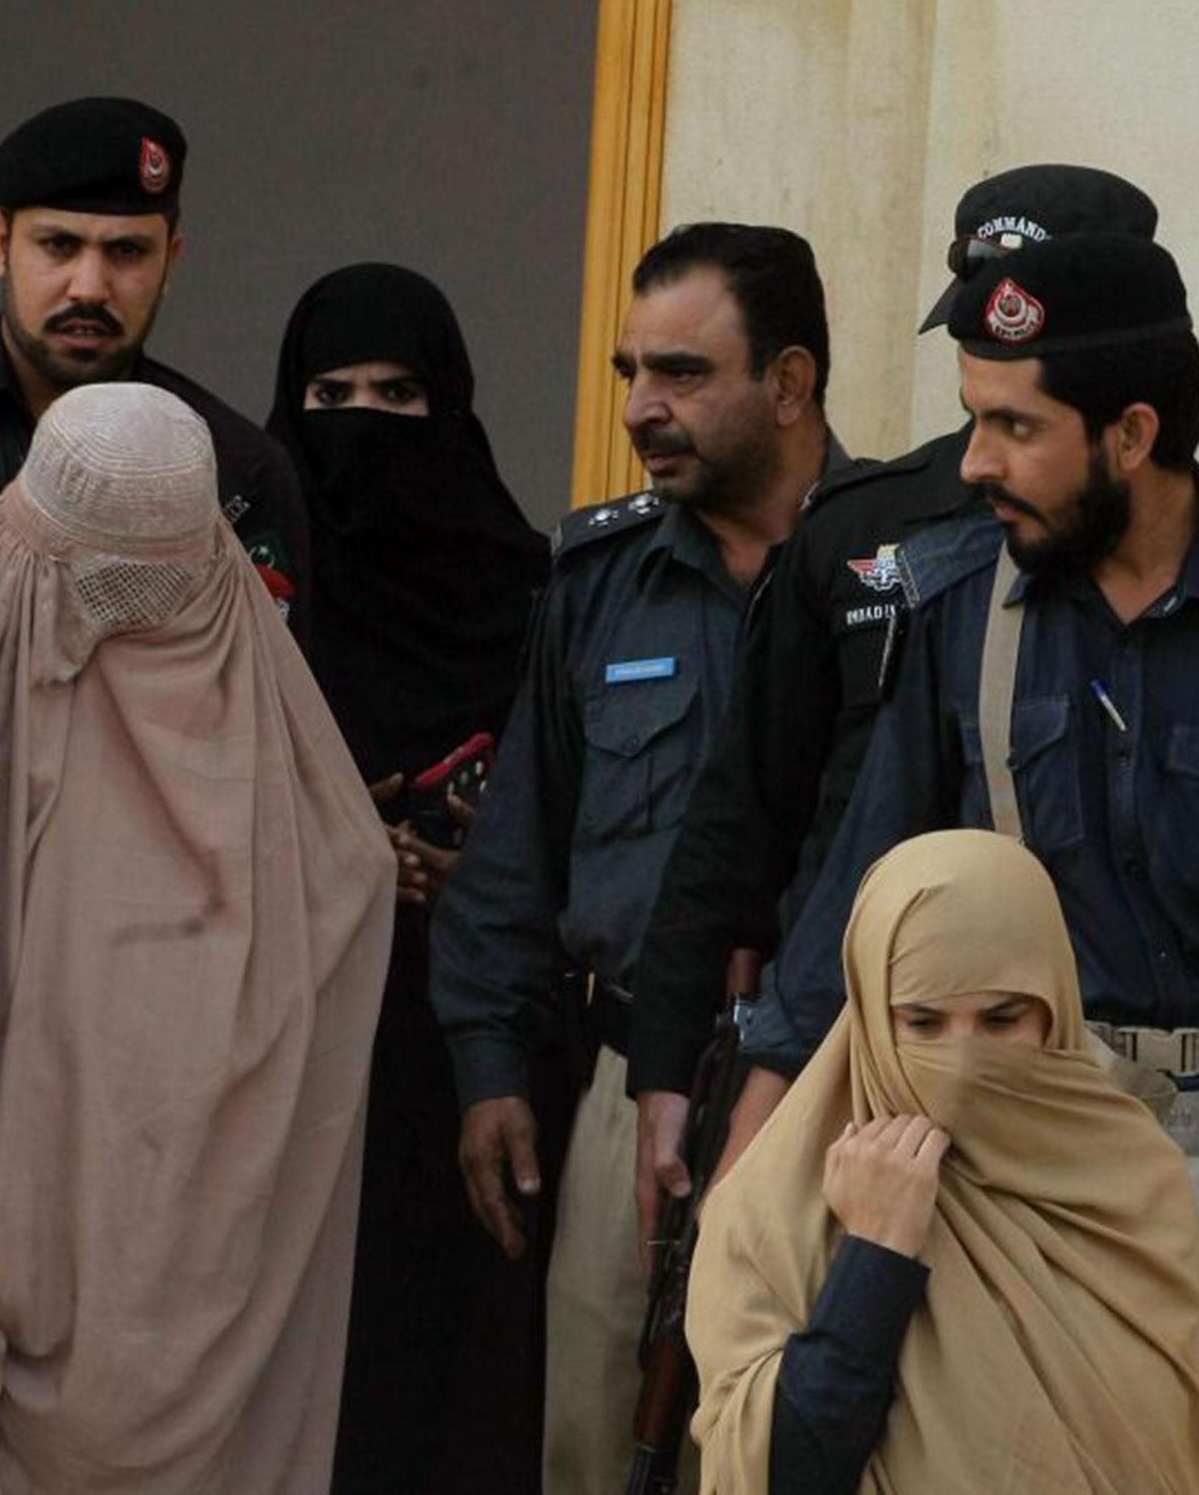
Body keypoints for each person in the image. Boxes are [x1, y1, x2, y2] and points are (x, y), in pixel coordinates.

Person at [739, 231, 1199, 1491]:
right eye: (969, 421)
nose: (972, 464)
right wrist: (753, 1161)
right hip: (1033, 1188)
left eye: (1011, 426)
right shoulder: (953, 620)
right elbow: (861, 904)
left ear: (1131, 435)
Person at [629, 167, 1161, 1241]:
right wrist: (671, 1069)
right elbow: (751, 816)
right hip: (865, 1045)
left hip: (1104, 1075)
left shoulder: (1192, 554)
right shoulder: (863, 532)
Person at [0, 381, 394, 1493]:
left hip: (144, 1308)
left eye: (149, 582)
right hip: (73, 1305)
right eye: (95, 576)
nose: (112, 615)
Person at [429, 223, 844, 1493]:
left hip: (837, 1090)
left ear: (786, 383)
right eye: (628, 373)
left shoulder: (900, 560)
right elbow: (522, 843)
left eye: (677, 374)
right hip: (629, 1094)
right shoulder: (602, 576)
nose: (637, 410)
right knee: (601, 1436)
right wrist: (490, 1060)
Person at [689, 829, 1199, 1495]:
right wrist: (873, 1255)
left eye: (1002, 1019)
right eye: (922, 1024)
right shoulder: (775, 1209)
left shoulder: (1134, 1183)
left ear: (1056, 1011)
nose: (963, 1061)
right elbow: (779, 1478)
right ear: (870, 1019)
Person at [264, 262, 551, 1493]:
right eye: (331, 393)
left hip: (468, 1052)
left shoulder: (533, 590)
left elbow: (580, 810)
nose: (365, 426)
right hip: (285, 1044)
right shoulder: (245, 598)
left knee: (463, 1372)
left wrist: (476, 871)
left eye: (398, 394)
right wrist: (329, 855)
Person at [0, 95, 312, 631]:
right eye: (59, 245)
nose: (89, 288)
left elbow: (260, 696)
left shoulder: (237, 470)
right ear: (1, 242)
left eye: (127, 252)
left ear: (170, 261)